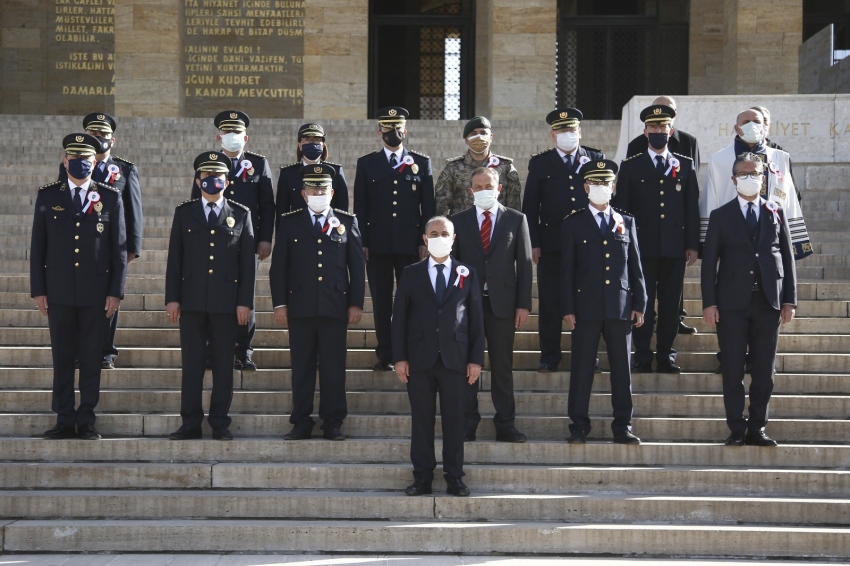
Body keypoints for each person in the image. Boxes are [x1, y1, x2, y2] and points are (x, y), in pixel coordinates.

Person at [32, 133, 127, 440]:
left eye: (87, 159)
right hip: (59, 291)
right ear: (65, 161)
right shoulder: (48, 196)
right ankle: (63, 417)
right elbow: (38, 247)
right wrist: (39, 289)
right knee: (62, 357)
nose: (81, 164)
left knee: (89, 358)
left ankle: (86, 418)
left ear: (95, 161)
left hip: (95, 294)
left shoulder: (110, 196)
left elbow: (119, 251)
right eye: (75, 159)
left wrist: (116, 291)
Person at [701, 152, 797, 447]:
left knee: (764, 370)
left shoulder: (776, 210)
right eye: (743, 174)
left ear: (764, 177)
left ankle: (758, 427)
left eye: (755, 173)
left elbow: (787, 258)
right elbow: (709, 265)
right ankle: (736, 428)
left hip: (767, 302)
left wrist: (789, 299)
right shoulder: (721, 215)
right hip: (731, 304)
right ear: (733, 179)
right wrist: (709, 302)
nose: (749, 178)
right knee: (732, 368)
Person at [270, 164, 366, 441]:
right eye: (313, 188)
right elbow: (279, 268)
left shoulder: (347, 222)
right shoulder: (289, 222)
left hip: (335, 306)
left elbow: (357, 267)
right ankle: (301, 421)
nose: (318, 192)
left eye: (322, 188)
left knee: (334, 368)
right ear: (303, 193)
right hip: (300, 305)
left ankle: (332, 422)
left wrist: (356, 303)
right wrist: (280, 304)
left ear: (332, 192)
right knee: (302, 367)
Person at [392, 216, 485, 497]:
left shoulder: (466, 273)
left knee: (455, 422)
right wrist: (399, 358)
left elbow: (476, 320)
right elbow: (400, 320)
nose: (439, 237)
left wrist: (476, 359)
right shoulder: (411, 273)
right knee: (422, 421)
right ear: (425, 238)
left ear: (454, 238)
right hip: (419, 359)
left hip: (456, 360)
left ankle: (454, 476)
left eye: (445, 233)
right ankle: (422, 477)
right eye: (434, 233)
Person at [166, 151, 256, 441]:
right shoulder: (184, 212)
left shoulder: (241, 214)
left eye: (218, 177)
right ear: (197, 180)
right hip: (191, 301)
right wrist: (172, 298)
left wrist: (245, 303)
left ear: (227, 182)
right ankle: (190, 422)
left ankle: (220, 422)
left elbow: (247, 265)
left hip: (226, 303)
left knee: (223, 366)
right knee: (192, 364)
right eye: (207, 177)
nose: (212, 181)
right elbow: (174, 259)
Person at [560, 160, 646, 445]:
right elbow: (567, 270)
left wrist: (640, 303)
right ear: (585, 187)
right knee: (582, 368)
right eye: (594, 184)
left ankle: (622, 426)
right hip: (586, 307)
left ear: (613, 187)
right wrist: (568, 307)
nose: (600, 188)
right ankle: (579, 426)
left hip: (620, 306)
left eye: (605, 183)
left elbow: (635, 266)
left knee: (622, 370)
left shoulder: (627, 221)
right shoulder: (573, 223)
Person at [613, 104, 699, 374]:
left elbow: (691, 208)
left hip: (674, 247)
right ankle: (642, 355)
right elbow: (622, 210)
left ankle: (666, 355)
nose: (658, 131)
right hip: (642, 247)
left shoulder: (684, 166)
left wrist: (693, 244)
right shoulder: (630, 166)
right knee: (643, 304)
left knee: (671, 304)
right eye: (653, 127)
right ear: (645, 131)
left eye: (663, 127)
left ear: (671, 131)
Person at [450, 167, 532, 443]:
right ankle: (466, 423)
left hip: (503, 305)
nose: (484, 189)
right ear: (470, 190)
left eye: (489, 185)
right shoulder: (458, 222)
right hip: (467, 305)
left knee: (501, 365)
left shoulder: (516, 220)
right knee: (466, 365)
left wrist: (523, 304)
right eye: (478, 185)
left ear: (499, 188)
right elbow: (453, 266)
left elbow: (525, 264)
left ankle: (506, 424)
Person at [190, 110, 275, 370]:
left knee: (245, 296)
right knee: (211, 294)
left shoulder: (258, 164)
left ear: (246, 137)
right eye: (227, 132)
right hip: (214, 241)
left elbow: (267, 205)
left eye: (237, 132)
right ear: (219, 137)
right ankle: (210, 351)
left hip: (247, 241)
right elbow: (196, 203)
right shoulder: (207, 165)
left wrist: (265, 239)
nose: (232, 136)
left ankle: (243, 351)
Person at [522, 108, 605, 372]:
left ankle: (587, 355)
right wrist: (533, 242)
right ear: (552, 135)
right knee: (550, 302)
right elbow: (530, 206)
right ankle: (549, 356)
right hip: (552, 244)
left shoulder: (594, 159)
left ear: (580, 132)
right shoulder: (540, 163)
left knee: (588, 302)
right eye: (562, 131)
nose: (567, 135)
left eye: (572, 130)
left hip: (587, 244)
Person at [353, 106, 435, 371]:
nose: (394, 133)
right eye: (388, 129)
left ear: (405, 131)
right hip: (376, 244)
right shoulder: (367, 164)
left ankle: (409, 350)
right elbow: (361, 207)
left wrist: (426, 241)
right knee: (381, 300)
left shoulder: (421, 162)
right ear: (380, 132)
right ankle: (385, 352)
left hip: (410, 243)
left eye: (398, 128)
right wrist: (362, 241)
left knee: (411, 298)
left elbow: (429, 207)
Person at [58, 112, 143, 368]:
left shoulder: (126, 169)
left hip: (111, 246)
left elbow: (134, 209)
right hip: (79, 243)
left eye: (103, 135)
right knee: (76, 299)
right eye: (93, 135)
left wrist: (132, 247)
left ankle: (106, 352)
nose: (98, 139)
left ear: (112, 140)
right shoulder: (72, 164)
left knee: (109, 300)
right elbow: (62, 203)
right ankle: (77, 352)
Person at [701, 108, 811, 259]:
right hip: (732, 233)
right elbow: (710, 200)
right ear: (736, 128)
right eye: (746, 122)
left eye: (757, 122)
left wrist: (793, 239)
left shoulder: (781, 157)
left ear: (764, 126)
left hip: (771, 234)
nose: (752, 126)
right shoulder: (719, 159)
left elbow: (790, 199)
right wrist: (709, 240)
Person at [435, 116, 522, 216]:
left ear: (491, 137)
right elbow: (442, 206)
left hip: (497, 226)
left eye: (483, 133)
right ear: (466, 140)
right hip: (463, 227)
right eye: (473, 134)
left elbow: (514, 207)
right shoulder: (453, 168)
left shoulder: (506, 167)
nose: (479, 137)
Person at [276, 123, 349, 214]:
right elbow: (282, 210)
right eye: (307, 139)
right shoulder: (288, 173)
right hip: (298, 226)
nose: (312, 143)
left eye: (317, 139)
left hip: (329, 225)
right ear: (300, 145)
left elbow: (342, 208)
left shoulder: (335, 171)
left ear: (323, 145)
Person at [749, 106, 802, 203]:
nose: (760, 125)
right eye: (756, 121)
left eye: (764, 120)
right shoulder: (733, 153)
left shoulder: (780, 153)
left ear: (769, 124)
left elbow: (791, 189)